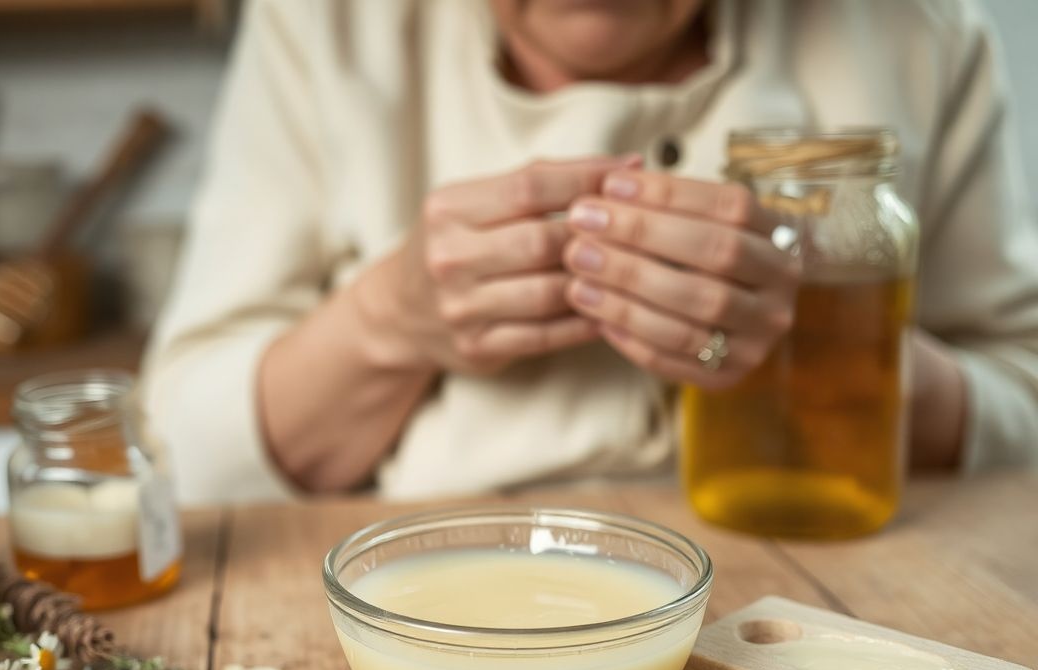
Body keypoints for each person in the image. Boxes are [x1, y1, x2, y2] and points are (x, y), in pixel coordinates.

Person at [144, 0, 1038, 504]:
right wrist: (391, 321)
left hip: (848, 589)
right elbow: (182, 450)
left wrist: (840, 343)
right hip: (426, 610)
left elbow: (1021, 399)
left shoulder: (919, 32)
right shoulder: (321, 27)